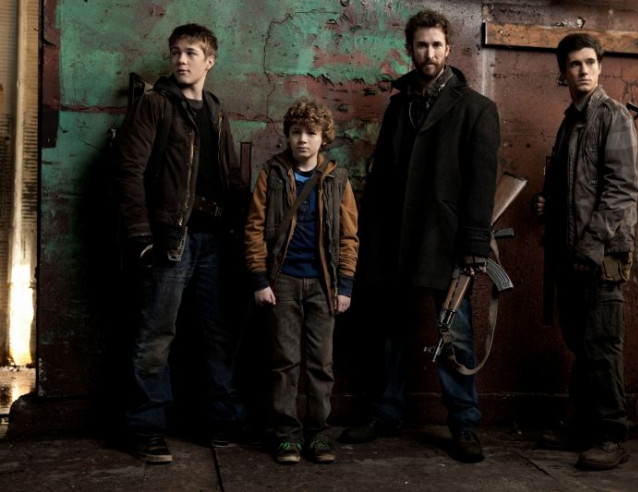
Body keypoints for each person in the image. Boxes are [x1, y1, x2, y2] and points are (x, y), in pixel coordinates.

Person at [338, 10, 499, 463]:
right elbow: (381, 178)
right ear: (410, 49)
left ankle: (464, 423)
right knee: (386, 330)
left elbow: (481, 184)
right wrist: (368, 237)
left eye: (436, 45)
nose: (429, 53)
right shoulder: (399, 106)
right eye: (421, 45)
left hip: (444, 239)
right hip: (392, 238)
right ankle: (385, 413)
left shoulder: (476, 109)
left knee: (455, 332)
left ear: (449, 49)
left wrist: (474, 245)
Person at [114, 23, 248, 464]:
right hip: (172, 237)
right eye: (175, 52)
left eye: (191, 52)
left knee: (217, 333)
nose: (181, 59)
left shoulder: (216, 110)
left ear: (210, 61)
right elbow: (129, 171)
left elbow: (230, 177)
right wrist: (140, 235)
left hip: (214, 241)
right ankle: (146, 428)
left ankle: (224, 421)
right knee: (156, 334)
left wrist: (245, 224)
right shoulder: (155, 105)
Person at [533, 32, 638, 470]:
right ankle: (581, 427)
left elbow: (621, 190)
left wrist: (590, 248)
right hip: (572, 252)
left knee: (602, 345)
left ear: (600, 66)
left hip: (601, 253)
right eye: (575, 64)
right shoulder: (570, 121)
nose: (583, 70)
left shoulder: (613, 116)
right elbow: (572, 189)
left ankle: (612, 436)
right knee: (581, 343)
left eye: (590, 62)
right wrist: (546, 204)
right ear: (563, 72)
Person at [245, 100, 359, 464]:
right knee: (285, 361)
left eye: (311, 133)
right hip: (283, 281)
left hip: (323, 284)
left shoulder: (337, 178)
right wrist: (260, 278)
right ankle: (287, 435)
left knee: (321, 364)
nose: (303, 140)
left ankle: (318, 434)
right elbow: (254, 228)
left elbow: (349, 236)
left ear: (324, 137)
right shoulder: (272, 174)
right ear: (288, 135)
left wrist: (345, 285)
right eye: (296, 132)